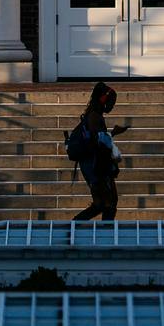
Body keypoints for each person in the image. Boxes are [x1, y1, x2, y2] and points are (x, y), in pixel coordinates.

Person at [69, 81, 127, 221]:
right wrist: (114, 133)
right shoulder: (95, 116)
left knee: (102, 204)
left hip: (94, 164)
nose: (112, 106)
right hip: (95, 165)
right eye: (111, 102)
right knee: (108, 203)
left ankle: (73, 228)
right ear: (103, 99)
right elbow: (99, 140)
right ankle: (76, 228)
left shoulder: (93, 115)